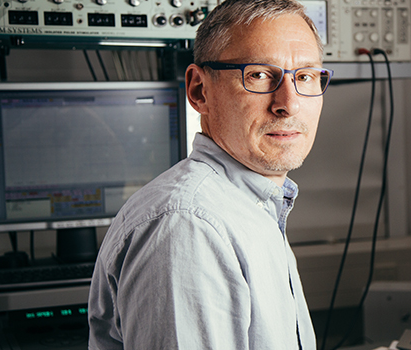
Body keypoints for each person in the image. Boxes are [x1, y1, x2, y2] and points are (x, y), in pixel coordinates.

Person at [87, 0, 333, 348]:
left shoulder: (252, 206)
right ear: (200, 90)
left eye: (305, 76)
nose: (289, 103)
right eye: (260, 75)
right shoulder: (189, 225)